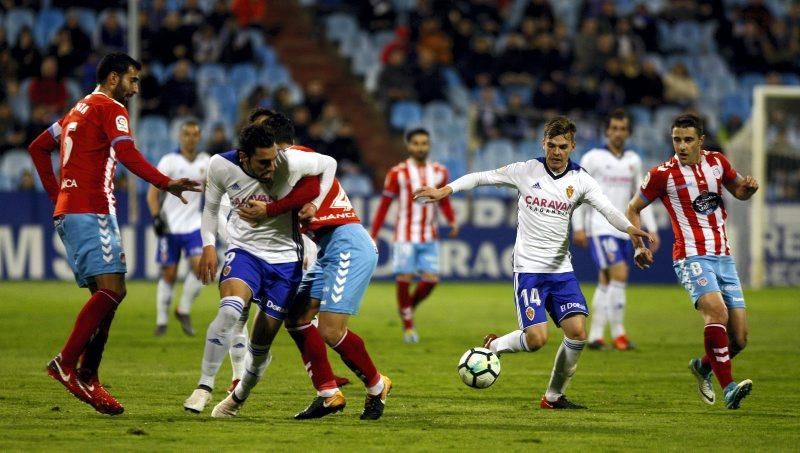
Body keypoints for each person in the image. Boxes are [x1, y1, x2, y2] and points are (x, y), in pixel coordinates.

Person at [415, 117, 653, 409]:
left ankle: (553, 397)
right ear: (543, 144)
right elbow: (480, 177)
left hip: (561, 271)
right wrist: (445, 190)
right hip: (528, 270)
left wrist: (631, 231)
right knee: (537, 339)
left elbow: (607, 209)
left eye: (562, 147)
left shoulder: (581, 180)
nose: (556, 152)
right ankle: (495, 346)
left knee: (577, 333)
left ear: (572, 147)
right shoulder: (526, 171)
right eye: (551, 145)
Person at [26, 52, 201, 415]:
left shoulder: (77, 110)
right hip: (92, 211)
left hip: (72, 211)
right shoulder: (110, 109)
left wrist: (57, 194)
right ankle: (67, 363)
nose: (136, 88)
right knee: (113, 290)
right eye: (132, 80)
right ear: (112, 79)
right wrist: (165, 183)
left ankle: (89, 377)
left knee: (104, 300)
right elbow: (127, 153)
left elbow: (39, 147)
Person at [214, 112, 392, 420]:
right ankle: (327, 394)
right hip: (327, 249)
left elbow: (314, 182)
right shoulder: (282, 174)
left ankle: (377, 386)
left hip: (348, 243)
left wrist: (269, 211)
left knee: (331, 330)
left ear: (277, 143)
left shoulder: (296, 159)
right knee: (296, 317)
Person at [184, 123, 338, 416]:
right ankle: (203, 387)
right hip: (245, 252)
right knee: (229, 311)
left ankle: (237, 398)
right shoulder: (220, 165)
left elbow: (330, 163)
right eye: (263, 163)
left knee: (259, 350)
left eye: (273, 160)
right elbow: (210, 209)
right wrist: (207, 246)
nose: (271, 168)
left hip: (284, 261)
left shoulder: (289, 161)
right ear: (244, 157)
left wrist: (316, 204)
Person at [627, 114, 757, 410]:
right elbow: (633, 209)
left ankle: (703, 367)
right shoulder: (662, 174)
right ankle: (729, 389)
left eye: (687, 140)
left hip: (723, 256)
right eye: (676, 140)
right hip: (690, 256)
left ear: (701, 140)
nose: (682, 146)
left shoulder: (718, 163)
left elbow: (738, 190)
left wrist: (747, 190)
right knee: (716, 313)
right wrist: (638, 244)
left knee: (740, 339)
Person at [571, 109, 660, 351]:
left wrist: (651, 228)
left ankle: (596, 335)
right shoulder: (592, 158)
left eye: (622, 129)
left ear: (628, 132)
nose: (618, 133)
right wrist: (578, 226)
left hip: (626, 228)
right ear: (607, 131)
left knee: (607, 279)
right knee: (619, 273)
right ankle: (619, 333)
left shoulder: (633, 160)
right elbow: (578, 194)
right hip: (600, 226)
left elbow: (641, 197)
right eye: (614, 128)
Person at [369, 128, 458, 343]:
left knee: (431, 280)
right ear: (409, 146)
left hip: (429, 235)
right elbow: (384, 204)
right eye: (416, 143)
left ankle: (408, 307)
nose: (421, 147)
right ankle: (408, 326)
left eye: (424, 143)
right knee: (405, 278)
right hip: (404, 236)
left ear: (429, 145)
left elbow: (443, 199)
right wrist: (374, 233)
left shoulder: (439, 172)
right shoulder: (397, 173)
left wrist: (451, 219)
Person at [146, 120, 209, 337]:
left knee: (202, 270)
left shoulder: (206, 161)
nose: (191, 138)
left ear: (199, 137)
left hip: (194, 226)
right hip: (170, 226)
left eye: (194, 134)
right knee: (169, 275)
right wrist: (156, 217)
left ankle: (182, 309)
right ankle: (162, 321)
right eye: (187, 134)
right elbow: (153, 194)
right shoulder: (169, 161)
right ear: (180, 137)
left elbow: (214, 191)